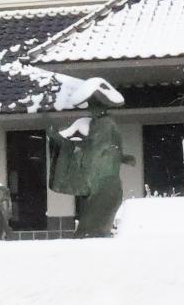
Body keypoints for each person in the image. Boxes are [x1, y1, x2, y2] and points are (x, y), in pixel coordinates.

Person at [48, 79, 130, 237]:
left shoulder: (105, 125)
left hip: (104, 188)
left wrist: (63, 143)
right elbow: (91, 149)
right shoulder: (101, 125)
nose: (91, 109)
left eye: (93, 105)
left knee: (89, 233)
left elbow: (92, 150)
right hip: (102, 188)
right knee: (88, 233)